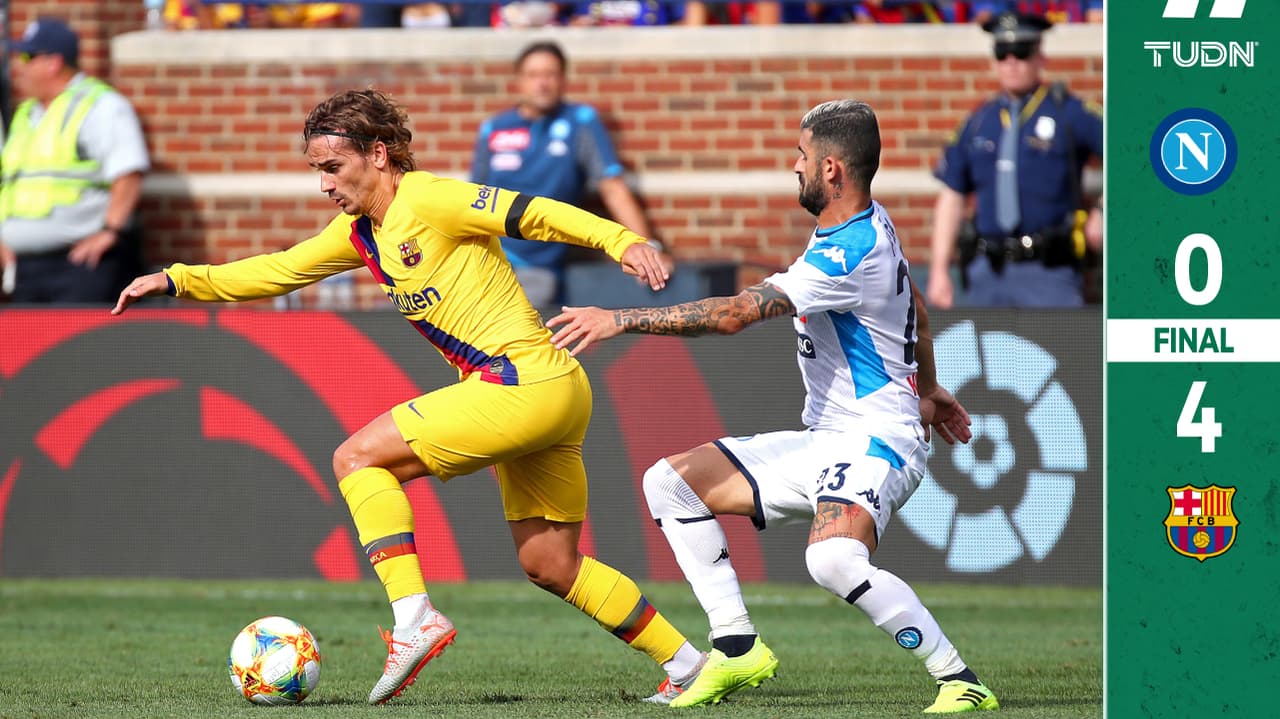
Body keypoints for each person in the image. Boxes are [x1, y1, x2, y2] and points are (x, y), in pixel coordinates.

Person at [111, 88, 706, 706]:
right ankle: (689, 663)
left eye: (331, 168)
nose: (323, 186)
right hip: (549, 390)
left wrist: (622, 240)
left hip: (520, 382)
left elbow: (532, 211)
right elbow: (279, 269)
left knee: (356, 459)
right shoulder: (362, 232)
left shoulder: (430, 198)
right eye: (317, 170)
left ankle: (415, 616)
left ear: (378, 153)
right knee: (551, 564)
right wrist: (178, 279)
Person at [548, 99, 997, 713]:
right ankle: (736, 651)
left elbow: (733, 315)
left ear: (832, 169)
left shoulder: (847, 253)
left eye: (802, 156)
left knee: (834, 558)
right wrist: (929, 388)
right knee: (669, 485)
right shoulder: (864, 223)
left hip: (878, 439)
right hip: (830, 435)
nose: (794, 167)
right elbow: (915, 306)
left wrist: (619, 318)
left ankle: (959, 680)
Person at [471, 41, 671, 307]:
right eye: (533, 75)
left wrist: (648, 249)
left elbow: (612, 187)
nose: (542, 83)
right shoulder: (493, 127)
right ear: (519, 82)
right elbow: (472, 197)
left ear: (563, 80)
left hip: (536, 267)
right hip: (484, 259)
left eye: (550, 75)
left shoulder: (580, 121)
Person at [927, 11, 1102, 308]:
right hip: (987, 272)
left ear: (1040, 57)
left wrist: (1102, 210)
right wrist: (939, 270)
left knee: (1059, 352)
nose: (1011, 61)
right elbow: (952, 195)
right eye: (1002, 52)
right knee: (987, 353)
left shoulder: (1069, 112)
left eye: (1021, 52)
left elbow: (1131, 157)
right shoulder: (979, 120)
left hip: (1050, 271)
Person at [0, 17, 150, 304]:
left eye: (27, 57)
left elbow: (129, 172)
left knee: (78, 349)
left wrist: (110, 231)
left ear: (53, 63)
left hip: (79, 266)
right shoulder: (26, 114)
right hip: (25, 269)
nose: (18, 67)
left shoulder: (100, 105)